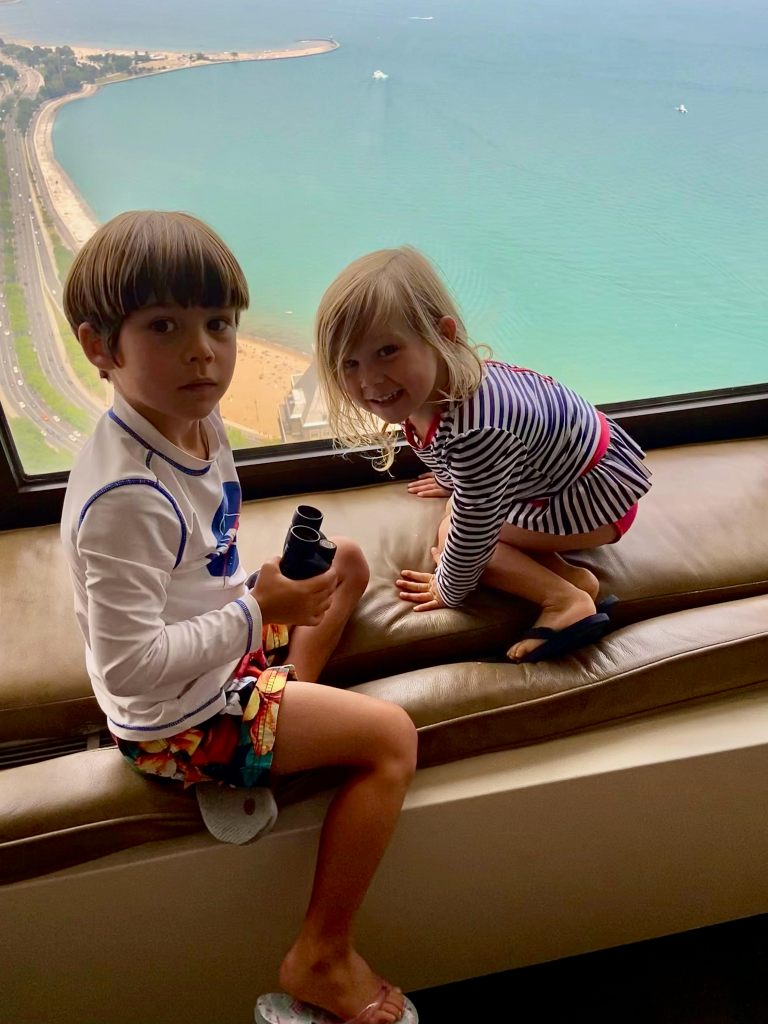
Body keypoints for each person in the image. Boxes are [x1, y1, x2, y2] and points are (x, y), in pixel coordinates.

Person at [60, 212, 417, 1024]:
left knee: (348, 562)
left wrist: (257, 608)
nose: (205, 351)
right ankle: (321, 954)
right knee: (394, 739)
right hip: (178, 721)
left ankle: (284, 704)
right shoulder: (124, 499)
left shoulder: (190, 417)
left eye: (219, 323)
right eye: (165, 327)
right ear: (99, 346)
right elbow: (127, 672)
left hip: (223, 647)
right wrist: (259, 613)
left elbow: (200, 561)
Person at [315, 246, 652, 663]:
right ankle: (574, 579)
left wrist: (448, 589)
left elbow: (473, 532)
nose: (370, 380)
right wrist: (453, 479)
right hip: (577, 475)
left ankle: (564, 599)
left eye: (387, 351)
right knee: (458, 512)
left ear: (443, 335)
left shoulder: (477, 432)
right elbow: (458, 450)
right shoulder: (442, 387)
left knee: (451, 532)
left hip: (593, 500)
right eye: (350, 364)